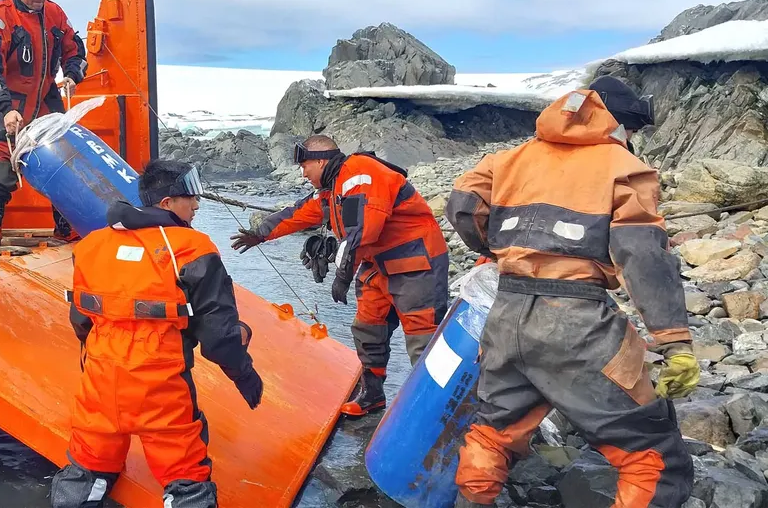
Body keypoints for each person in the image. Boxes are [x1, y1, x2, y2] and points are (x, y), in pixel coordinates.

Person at [445, 76, 697, 508]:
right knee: (652, 455)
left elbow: (463, 205)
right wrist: (674, 341)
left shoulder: (507, 159)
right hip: (577, 322)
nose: (631, 139)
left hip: (506, 315)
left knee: (493, 430)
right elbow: (642, 256)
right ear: (618, 123)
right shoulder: (622, 166)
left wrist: (504, 250)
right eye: (632, 130)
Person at [50, 159, 264, 508]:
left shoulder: (91, 245)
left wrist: (97, 364)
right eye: (189, 197)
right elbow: (219, 337)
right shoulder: (193, 248)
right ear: (167, 204)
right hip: (161, 388)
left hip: (100, 383)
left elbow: (82, 320)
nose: (196, 205)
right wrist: (246, 377)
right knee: (186, 481)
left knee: (86, 469)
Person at [230, 135, 449, 417]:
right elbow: (298, 212)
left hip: (416, 261)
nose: (303, 173)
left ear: (321, 161)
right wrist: (260, 234)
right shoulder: (332, 189)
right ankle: (373, 394)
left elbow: (360, 232)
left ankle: (440, 409)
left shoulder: (360, 173)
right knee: (367, 327)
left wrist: (342, 277)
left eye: (305, 166)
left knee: (423, 336)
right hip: (378, 263)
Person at [0, 0, 88, 246]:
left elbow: (76, 51)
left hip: (46, 99)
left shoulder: (55, 14)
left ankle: (64, 225)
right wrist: (5, 108)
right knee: (2, 159)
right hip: (8, 99)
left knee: (61, 159)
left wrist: (73, 73)